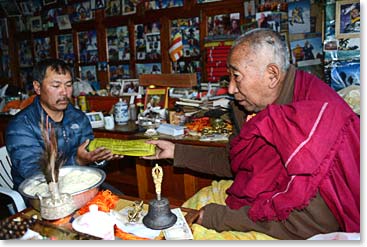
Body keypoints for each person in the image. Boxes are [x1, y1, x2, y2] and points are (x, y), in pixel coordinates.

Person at [143, 29, 360, 239]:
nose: (230, 89)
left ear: (272, 75)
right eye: (229, 77)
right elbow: (235, 161)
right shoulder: (251, 105)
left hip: (299, 225)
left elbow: (309, 222)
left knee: (195, 234)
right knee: (181, 216)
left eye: (237, 77)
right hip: (258, 201)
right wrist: (176, 151)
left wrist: (220, 218)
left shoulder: (314, 116)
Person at [5, 59, 123, 191]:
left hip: (79, 185)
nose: (64, 92)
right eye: (56, 86)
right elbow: (35, 176)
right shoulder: (21, 125)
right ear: (37, 87)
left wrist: (99, 158)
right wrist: (78, 161)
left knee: (123, 202)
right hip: (40, 195)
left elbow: (90, 163)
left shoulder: (78, 117)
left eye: (68, 85)